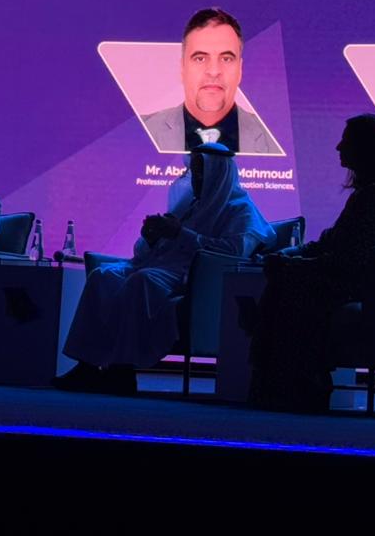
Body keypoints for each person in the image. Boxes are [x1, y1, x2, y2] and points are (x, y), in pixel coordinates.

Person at [55, 142, 275, 394]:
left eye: (201, 172)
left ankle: (122, 371)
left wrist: (181, 234)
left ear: (219, 173)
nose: (196, 178)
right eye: (194, 172)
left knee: (142, 282)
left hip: (190, 276)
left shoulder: (241, 210)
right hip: (160, 265)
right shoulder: (189, 205)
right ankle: (87, 365)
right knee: (102, 276)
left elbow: (234, 252)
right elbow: (149, 250)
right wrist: (150, 238)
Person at [249, 114, 375, 412]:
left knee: (288, 286)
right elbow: (329, 244)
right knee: (285, 280)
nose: (338, 147)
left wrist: (292, 266)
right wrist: (290, 256)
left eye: (346, 140)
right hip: (349, 279)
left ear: (364, 148)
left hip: (354, 285)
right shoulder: (370, 196)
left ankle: (286, 380)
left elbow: (347, 261)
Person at [141, 7, 281, 155]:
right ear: (182, 68)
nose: (214, 71)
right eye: (200, 58)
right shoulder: (141, 131)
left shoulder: (274, 138)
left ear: (240, 69)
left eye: (226, 59)